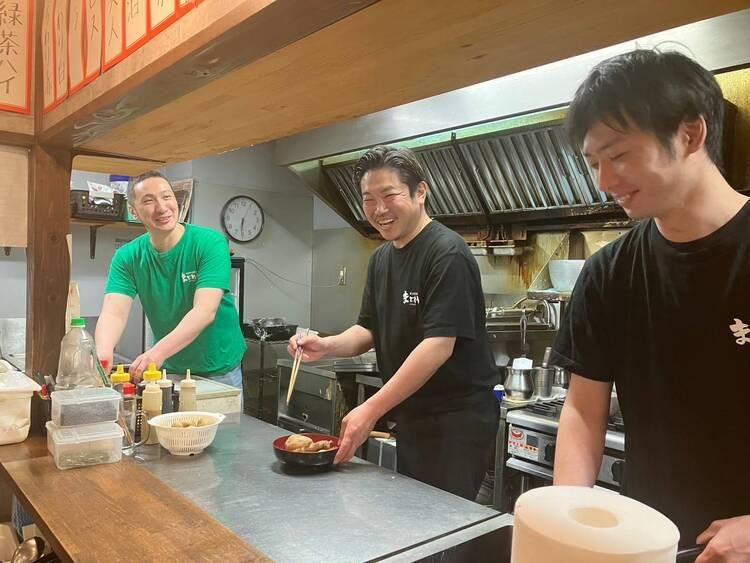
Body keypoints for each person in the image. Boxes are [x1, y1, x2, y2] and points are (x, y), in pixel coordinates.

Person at [551, 49, 750, 561]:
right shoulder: (608, 273)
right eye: (593, 163)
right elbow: (583, 411)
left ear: (690, 134)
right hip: (651, 544)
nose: (603, 181)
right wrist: (564, 522)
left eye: (618, 155)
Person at [288, 146, 499, 500]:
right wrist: (326, 345)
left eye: (389, 195)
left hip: (456, 420)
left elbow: (437, 346)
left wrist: (371, 408)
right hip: (413, 412)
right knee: (414, 510)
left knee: (441, 517)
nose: (379, 209)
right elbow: (368, 329)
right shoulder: (382, 258)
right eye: (368, 199)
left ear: (420, 192)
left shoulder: (447, 253)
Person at [96, 171, 246, 390]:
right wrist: (103, 354)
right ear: (134, 211)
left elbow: (205, 311)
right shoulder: (127, 256)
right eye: (149, 201)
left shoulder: (210, 243)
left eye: (167, 197)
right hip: (170, 368)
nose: (162, 207)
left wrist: (156, 352)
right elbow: (114, 313)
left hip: (219, 369)